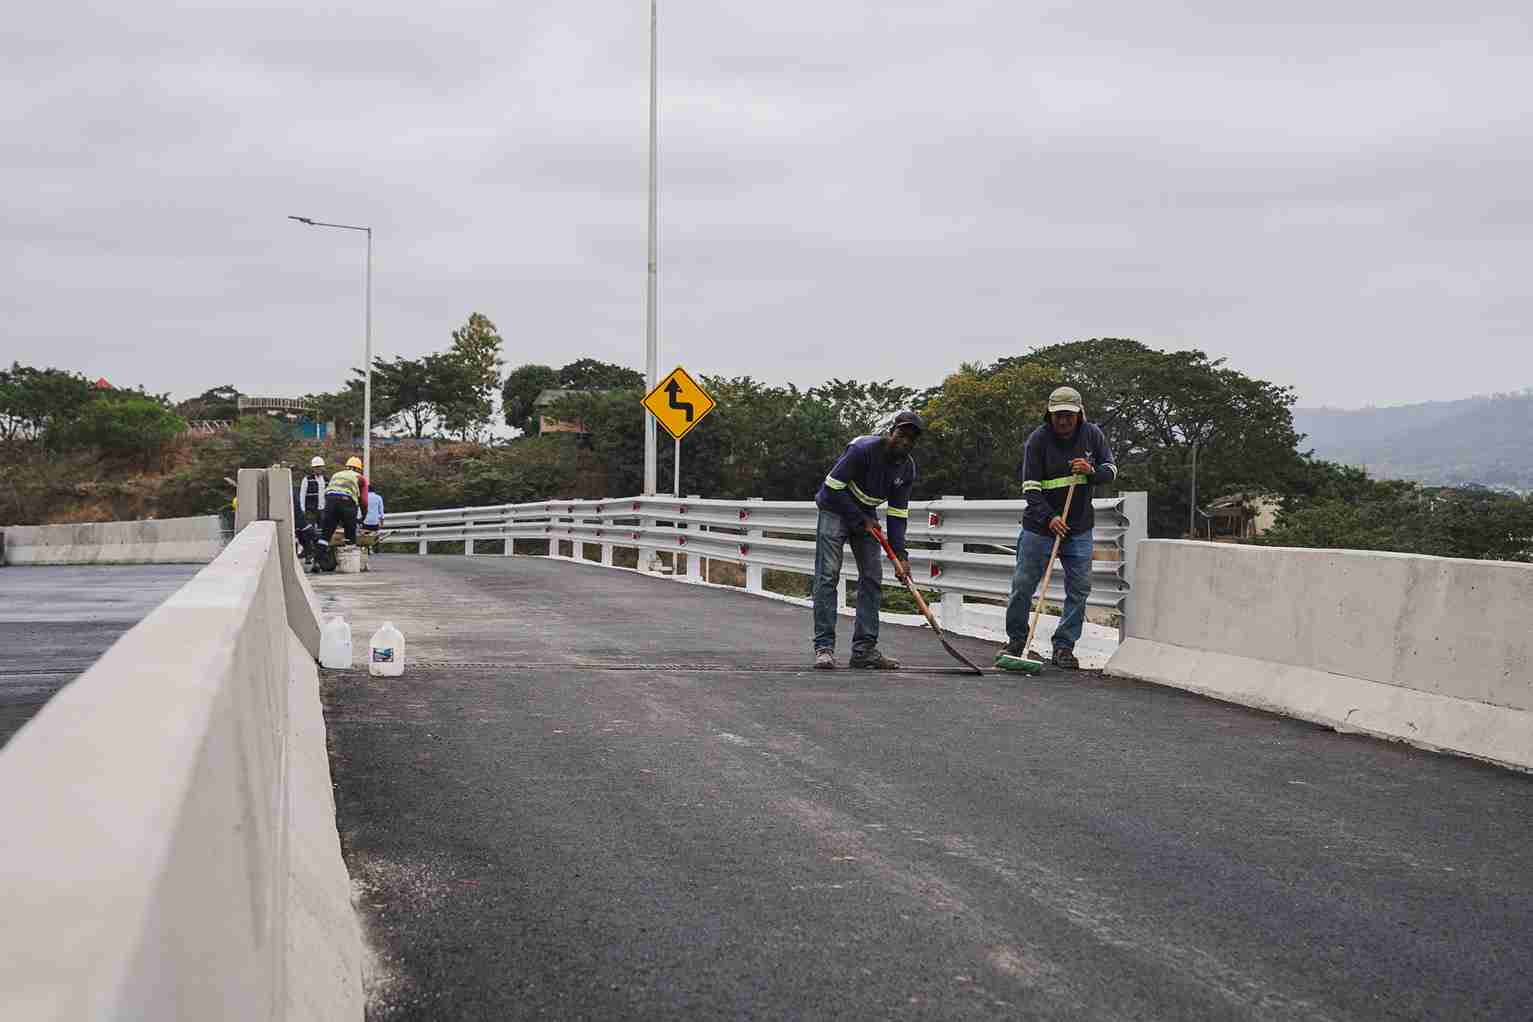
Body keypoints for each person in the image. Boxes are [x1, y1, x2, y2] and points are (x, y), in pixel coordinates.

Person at [999, 386, 1117, 669]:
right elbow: (1030, 487)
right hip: (1040, 527)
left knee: (1080, 587)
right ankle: (1016, 639)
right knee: (1023, 584)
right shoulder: (1037, 441)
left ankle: (1064, 646)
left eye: (1068, 415)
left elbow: (1110, 471)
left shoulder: (1092, 435)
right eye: (1057, 415)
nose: (1063, 421)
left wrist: (1091, 471)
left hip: (1078, 527)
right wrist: (1050, 517)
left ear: (1079, 414)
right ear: (1049, 415)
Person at [810, 410, 922, 670]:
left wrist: (901, 556)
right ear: (891, 432)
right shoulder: (862, 449)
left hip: (865, 516)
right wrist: (860, 518)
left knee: (872, 577)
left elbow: (897, 515)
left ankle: (864, 651)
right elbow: (832, 488)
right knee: (828, 575)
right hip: (835, 509)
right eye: (901, 434)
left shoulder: (907, 468)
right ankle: (824, 648)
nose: (905, 441)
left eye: (911, 438)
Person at [315, 456, 367, 571]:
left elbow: (328, 492)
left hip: (330, 502)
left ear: (347, 466)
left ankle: (317, 563)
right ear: (359, 469)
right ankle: (350, 565)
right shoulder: (360, 478)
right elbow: (364, 501)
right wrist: (363, 517)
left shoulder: (336, 474)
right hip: (346, 503)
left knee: (325, 535)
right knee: (350, 534)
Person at [297, 456, 326, 562]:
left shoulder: (326, 480)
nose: (318, 469)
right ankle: (308, 553)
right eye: (316, 467)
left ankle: (319, 555)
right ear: (313, 468)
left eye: (320, 467)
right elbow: (302, 495)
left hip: (322, 510)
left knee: (322, 532)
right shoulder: (307, 479)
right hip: (310, 510)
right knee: (309, 531)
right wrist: (302, 510)